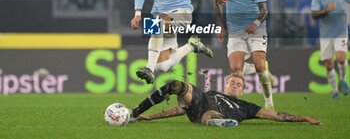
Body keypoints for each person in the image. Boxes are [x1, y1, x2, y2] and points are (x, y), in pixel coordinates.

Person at [129, 72, 322, 127]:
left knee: (211, 115)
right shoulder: (212, 93)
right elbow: (180, 109)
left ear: (243, 91)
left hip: (212, 114)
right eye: (233, 83)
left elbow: (276, 115)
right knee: (175, 85)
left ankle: (218, 121)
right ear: (225, 85)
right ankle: (137, 111)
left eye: (239, 85)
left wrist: (304, 118)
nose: (235, 86)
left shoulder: (247, 107)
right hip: (200, 106)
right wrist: (151, 117)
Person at [214, 0, 274, 110]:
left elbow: (264, 9)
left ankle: (268, 102)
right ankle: (259, 70)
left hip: (257, 28)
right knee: (236, 69)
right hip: (235, 31)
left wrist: (255, 23)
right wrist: (221, 26)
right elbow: (217, 3)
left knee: (260, 66)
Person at [311, 0, 350, 100]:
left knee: (341, 58)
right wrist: (326, 11)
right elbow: (314, 15)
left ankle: (343, 80)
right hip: (326, 34)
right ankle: (335, 91)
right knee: (328, 65)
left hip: (340, 31)